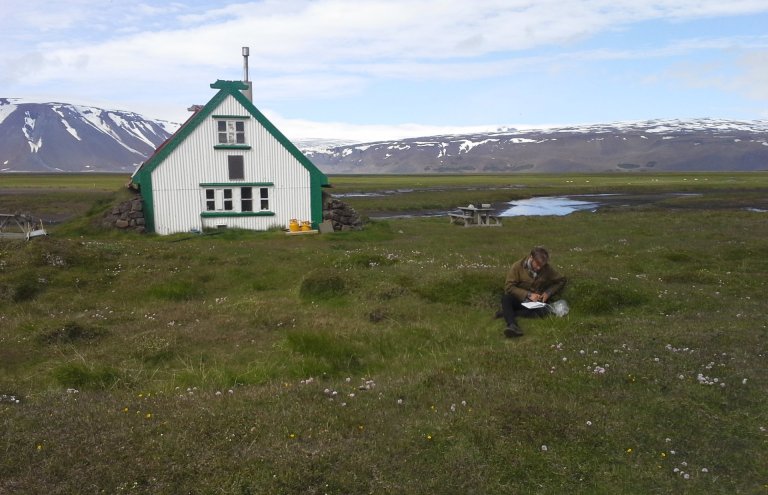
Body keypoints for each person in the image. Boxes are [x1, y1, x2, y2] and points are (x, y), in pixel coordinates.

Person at [499, 246, 566, 338]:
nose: (539, 268)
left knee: (545, 312)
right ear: (531, 257)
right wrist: (528, 294)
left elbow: (561, 280)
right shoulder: (517, 266)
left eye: (541, 265)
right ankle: (512, 326)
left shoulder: (547, 269)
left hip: (536, 302)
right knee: (506, 299)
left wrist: (548, 293)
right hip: (519, 299)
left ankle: (506, 313)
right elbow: (509, 287)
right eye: (537, 264)